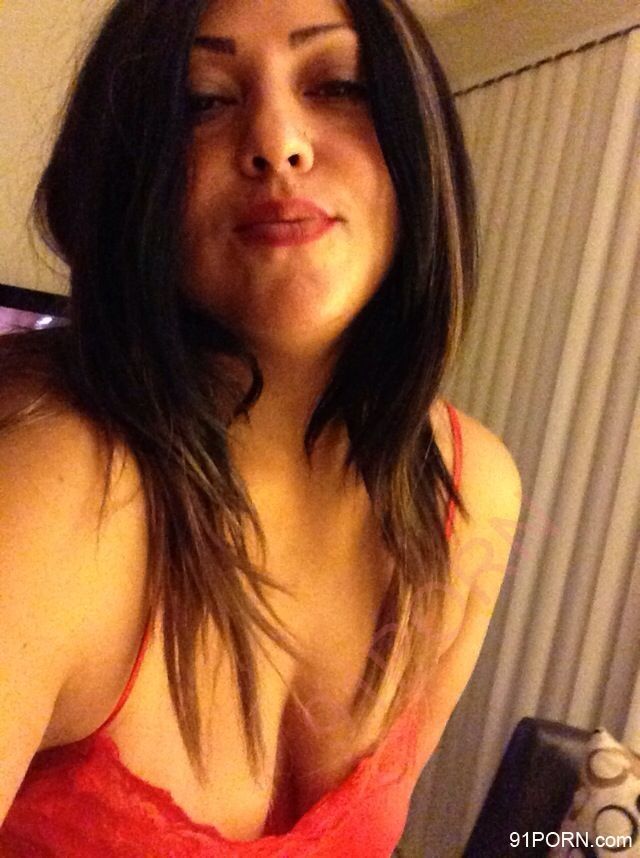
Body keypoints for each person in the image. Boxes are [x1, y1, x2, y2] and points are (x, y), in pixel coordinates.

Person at [0, 0, 522, 854]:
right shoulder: (48, 492)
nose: (278, 142)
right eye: (203, 101)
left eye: (340, 85)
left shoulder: (472, 493)